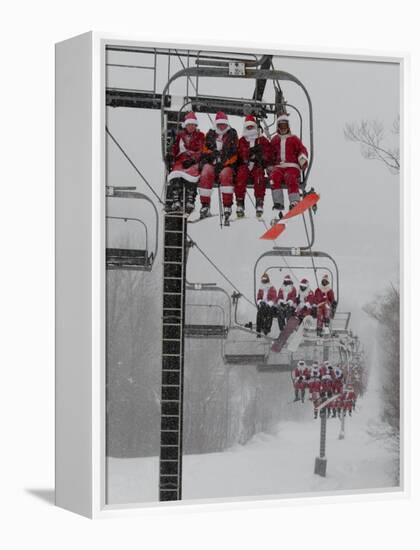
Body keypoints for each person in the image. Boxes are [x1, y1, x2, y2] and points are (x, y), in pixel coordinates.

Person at [268, 114, 309, 223]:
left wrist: (302, 159)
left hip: (292, 166)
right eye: (281, 126)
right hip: (279, 167)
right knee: (274, 177)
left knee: (290, 177)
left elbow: (302, 149)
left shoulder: (294, 139)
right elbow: (271, 154)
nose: (283, 128)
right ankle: (278, 203)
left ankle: (294, 201)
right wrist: (269, 165)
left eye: (285, 126)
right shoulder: (275, 140)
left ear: (288, 126)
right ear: (278, 127)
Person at [199, 111, 238, 223]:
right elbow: (205, 149)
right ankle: (205, 204)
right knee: (206, 171)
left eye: (224, 124)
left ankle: (227, 205)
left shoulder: (232, 134)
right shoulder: (210, 134)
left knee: (226, 174)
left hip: (227, 164)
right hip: (212, 163)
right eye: (219, 124)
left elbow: (235, 152)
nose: (222, 126)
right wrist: (212, 155)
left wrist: (225, 160)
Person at [166, 111, 205, 213]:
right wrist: (171, 154)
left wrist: (193, 159)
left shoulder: (200, 135)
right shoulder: (180, 136)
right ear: (185, 125)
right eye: (189, 125)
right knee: (176, 173)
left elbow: (201, 150)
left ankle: (190, 199)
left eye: (193, 125)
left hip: (194, 160)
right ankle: (176, 199)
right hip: (181, 159)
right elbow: (175, 149)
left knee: (192, 174)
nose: (191, 127)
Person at [236, 115, 272, 218]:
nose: (250, 129)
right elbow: (239, 153)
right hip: (245, 166)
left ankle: (259, 201)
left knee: (259, 177)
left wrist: (261, 156)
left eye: (252, 127)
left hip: (257, 166)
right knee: (240, 176)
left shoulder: (261, 140)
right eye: (248, 127)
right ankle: (240, 201)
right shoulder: (242, 141)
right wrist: (247, 154)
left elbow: (268, 153)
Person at [256, 272, 277, 337]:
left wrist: (269, 304)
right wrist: (260, 301)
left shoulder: (271, 287)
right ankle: (259, 329)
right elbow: (259, 297)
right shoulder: (261, 288)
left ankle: (267, 329)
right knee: (259, 314)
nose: (264, 280)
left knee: (268, 314)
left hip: (269, 305)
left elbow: (274, 297)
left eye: (265, 279)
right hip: (263, 304)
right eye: (263, 279)